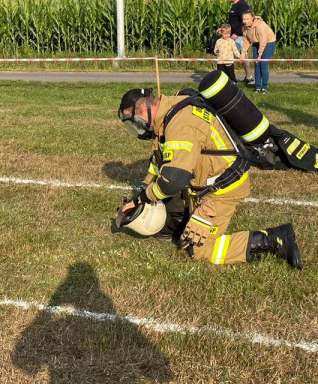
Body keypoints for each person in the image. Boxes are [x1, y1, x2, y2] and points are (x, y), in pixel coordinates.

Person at [115, 87, 302, 269]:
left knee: (199, 250)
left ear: (144, 111)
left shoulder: (181, 125)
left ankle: (274, 239)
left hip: (221, 190)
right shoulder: (167, 116)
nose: (137, 130)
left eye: (135, 123)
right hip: (202, 186)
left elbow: (174, 180)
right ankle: (180, 222)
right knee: (179, 226)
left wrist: (145, 198)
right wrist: (141, 193)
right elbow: (159, 164)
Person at [241, 12, 277, 94]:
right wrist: (243, 53)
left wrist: (260, 55)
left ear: (252, 18)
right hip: (256, 43)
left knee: (263, 63)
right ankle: (257, 86)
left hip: (268, 42)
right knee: (256, 64)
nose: (245, 21)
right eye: (244, 19)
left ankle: (264, 86)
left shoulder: (260, 26)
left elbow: (263, 41)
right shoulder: (244, 28)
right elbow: (246, 41)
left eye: (247, 19)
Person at [226, 0, 254, 83]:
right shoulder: (234, 5)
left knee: (242, 56)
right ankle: (247, 77)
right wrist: (223, 29)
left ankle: (249, 77)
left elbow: (245, 21)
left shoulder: (242, 5)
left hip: (239, 36)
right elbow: (232, 21)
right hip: (233, 35)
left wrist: (236, 33)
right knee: (235, 56)